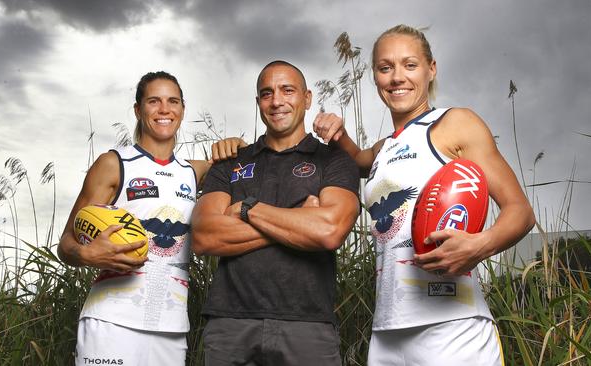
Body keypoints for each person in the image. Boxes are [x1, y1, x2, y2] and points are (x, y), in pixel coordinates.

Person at [313, 25, 535, 366]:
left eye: (410, 65)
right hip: (387, 332)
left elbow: (520, 211)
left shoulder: (455, 123)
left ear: (431, 69)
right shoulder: (384, 148)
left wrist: (481, 244)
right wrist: (336, 130)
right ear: (375, 77)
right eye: (385, 68)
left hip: (452, 327)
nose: (397, 77)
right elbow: (358, 161)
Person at [57, 71, 244, 366]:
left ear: (182, 110)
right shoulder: (113, 164)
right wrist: (87, 253)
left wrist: (238, 145)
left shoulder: (193, 172)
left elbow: (245, 165)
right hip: (112, 321)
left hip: (171, 327)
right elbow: (66, 243)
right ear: (138, 110)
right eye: (153, 101)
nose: (164, 109)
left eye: (173, 101)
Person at [191, 60, 360, 366]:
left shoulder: (333, 160)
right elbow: (203, 236)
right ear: (258, 102)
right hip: (231, 323)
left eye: (287, 90)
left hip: (308, 325)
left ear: (307, 98)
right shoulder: (231, 162)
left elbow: (328, 231)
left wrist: (246, 210)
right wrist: (297, 220)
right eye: (267, 93)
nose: (277, 101)